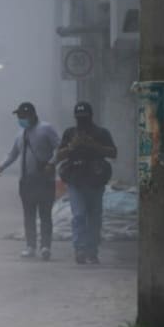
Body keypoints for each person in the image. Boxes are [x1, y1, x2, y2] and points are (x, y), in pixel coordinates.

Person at [0, 102, 60, 260]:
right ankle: (30, 246)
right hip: (26, 181)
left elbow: (60, 148)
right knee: (28, 215)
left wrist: (52, 163)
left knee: (45, 214)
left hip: (45, 180)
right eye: (19, 117)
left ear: (31, 115)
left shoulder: (46, 129)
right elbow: (13, 154)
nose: (20, 119)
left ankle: (45, 246)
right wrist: (1, 166)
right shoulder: (20, 134)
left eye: (22, 116)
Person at [55, 102, 117, 264]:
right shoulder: (70, 133)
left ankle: (92, 250)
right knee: (79, 215)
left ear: (91, 117)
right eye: (79, 119)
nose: (82, 122)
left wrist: (94, 145)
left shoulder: (101, 133)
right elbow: (59, 155)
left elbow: (113, 152)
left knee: (95, 217)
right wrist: (72, 146)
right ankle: (80, 249)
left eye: (85, 118)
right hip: (75, 180)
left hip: (96, 180)